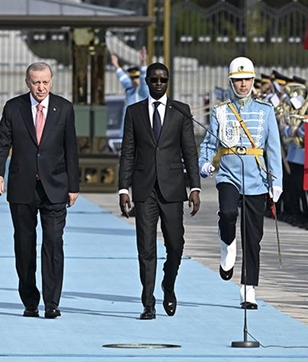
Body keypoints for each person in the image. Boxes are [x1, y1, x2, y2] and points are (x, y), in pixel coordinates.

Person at [0, 62, 80, 320]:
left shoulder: (64, 108)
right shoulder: (13, 107)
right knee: (24, 245)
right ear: (27, 82)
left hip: (55, 187)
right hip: (22, 188)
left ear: (51, 81)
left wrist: (73, 186)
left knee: (53, 244)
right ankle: (30, 301)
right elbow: (1, 143)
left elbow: (71, 150)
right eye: (35, 82)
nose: (40, 87)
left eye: (45, 82)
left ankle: (52, 303)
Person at [118, 62, 201, 320]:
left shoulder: (181, 111)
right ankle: (148, 302)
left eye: (162, 80)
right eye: (153, 80)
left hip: (173, 189)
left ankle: (168, 284)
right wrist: (123, 188)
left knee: (176, 245)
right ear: (146, 81)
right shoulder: (134, 113)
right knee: (145, 247)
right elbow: (127, 153)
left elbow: (190, 152)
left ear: (168, 82)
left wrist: (195, 187)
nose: (158, 84)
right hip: (144, 190)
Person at [198, 56, 283, 309]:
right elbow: (210, 143)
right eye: (237, 80)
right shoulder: (220, 111)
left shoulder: (265, 111)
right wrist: (204, 162)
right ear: (231, 82)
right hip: (228, 174)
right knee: (226, 213)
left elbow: (273, 148)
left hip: (256, 178)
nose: (242, 85)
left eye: (246, 80)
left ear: (253, 80)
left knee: (253, 236)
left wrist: (276, 181)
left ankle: (248, 288)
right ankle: (227, 244)